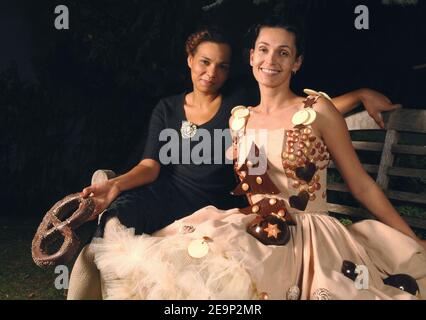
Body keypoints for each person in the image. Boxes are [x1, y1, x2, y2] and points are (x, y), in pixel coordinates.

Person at [87, 19, 426, 300]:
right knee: (183, 268)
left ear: (296, 62)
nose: (271, 60)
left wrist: (409, 235)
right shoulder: (239, 119)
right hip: (254, 224)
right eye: (263, 50)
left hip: (307, 232)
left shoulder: (318, 111)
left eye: (283, 53)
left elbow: (362, 186)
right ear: (251, 57)